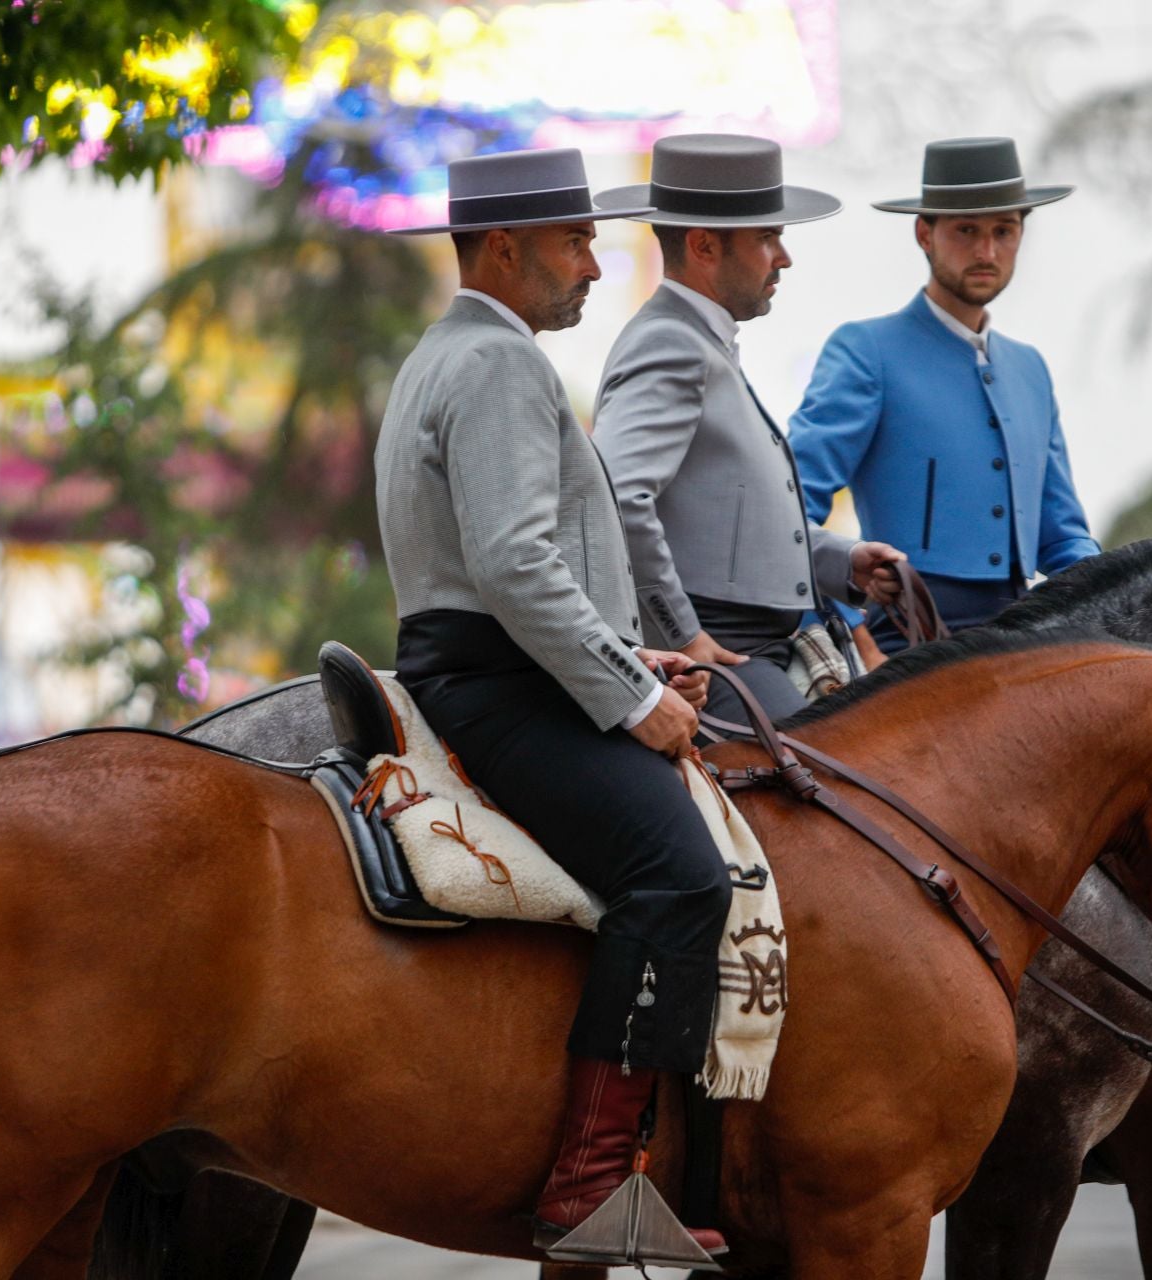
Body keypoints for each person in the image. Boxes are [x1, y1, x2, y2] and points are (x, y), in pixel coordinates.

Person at [375, 147, 727, 1260]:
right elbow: (516, 564)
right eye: (574, 242)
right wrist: (633, 697)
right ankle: (587, 1186)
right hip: (501, 685)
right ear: (504, 248)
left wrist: (634, 654)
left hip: (496, 668)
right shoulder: (500, 365)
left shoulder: (452, 353)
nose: (592, 263)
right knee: (680, 870)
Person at [592, 134, 904, 724]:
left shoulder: (698, 341)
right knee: (822, 786)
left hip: (747, 644)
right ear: (705, 245)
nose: (782, 256)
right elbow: (618, 498)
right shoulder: (672, 343)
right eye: (767, 236)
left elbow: (732, 523)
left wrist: (845, 559)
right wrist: (685, 638)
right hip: (720, 649)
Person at [789, 137, 1101, 653]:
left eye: (1004, 231)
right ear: (924, 234)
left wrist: (1123, 597)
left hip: (1019, 633)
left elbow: (1061, 536)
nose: (987, 251)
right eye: (966, 231)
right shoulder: (867, 350)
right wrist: (848, 628)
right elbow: (791, 510)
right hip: (908, 635)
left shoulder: (1030, 369)